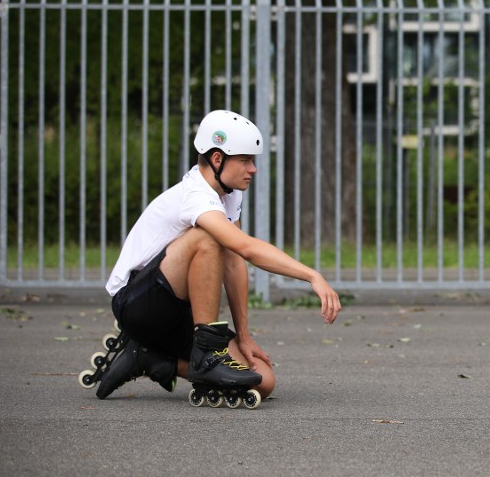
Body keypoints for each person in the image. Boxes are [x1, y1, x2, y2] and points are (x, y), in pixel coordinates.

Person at [95, 109, 342, 401]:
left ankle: (149, 359)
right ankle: (207, 354)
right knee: (208, 238)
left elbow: (236, 263)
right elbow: (246, 248)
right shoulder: (196, 195)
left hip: (177, 310)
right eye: (246, 161)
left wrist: (244, 336)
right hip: (136, 304)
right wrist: (312, 276)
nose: (253, 169)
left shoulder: (229, 193)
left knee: (262, 380)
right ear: (217, 159)